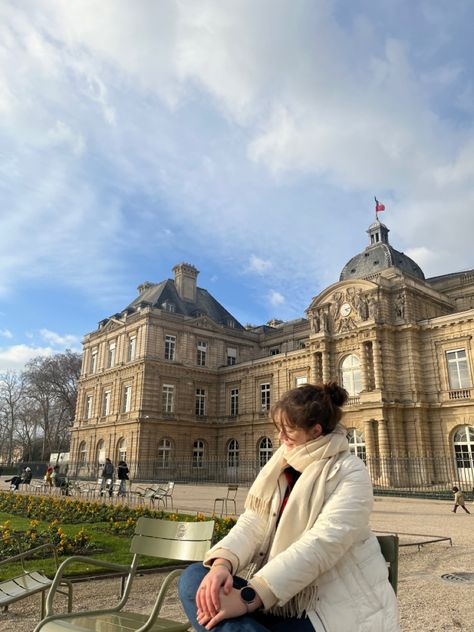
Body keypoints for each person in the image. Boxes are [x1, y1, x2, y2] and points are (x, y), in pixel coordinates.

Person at [179, 383, 400, 631]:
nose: (280, 438)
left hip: (327, 608)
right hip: (275, 599)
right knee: (195, 580)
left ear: (315, 431)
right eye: (279, 429)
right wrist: (222, 565)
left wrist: (249, 597)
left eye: (288, 431)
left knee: (220, 617)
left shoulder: (350, 472)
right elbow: (253, 522)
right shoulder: (282, 465)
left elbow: (322, 544)